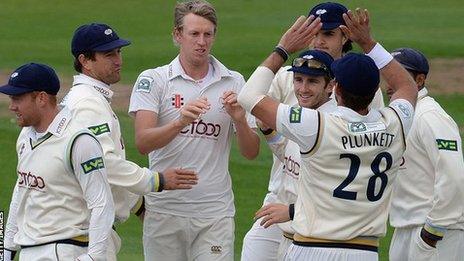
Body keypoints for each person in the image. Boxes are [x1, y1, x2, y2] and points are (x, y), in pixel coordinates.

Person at [238, 8, 417, 261]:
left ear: (336, 88)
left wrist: (282, 49)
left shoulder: (317, 125)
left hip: (312, 247)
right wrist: (368, 42)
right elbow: (406, 85)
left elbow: (248, 96)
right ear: (376, 90)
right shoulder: (396, 124)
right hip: (364, 251)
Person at [128, 0, 260, 260]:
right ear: (178, 35)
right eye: (194, 34)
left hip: (215, 213)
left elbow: (251, 152)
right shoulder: (154, 79)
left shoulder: (234, 81)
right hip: (165, 210)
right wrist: (179, 122)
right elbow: (143, 142)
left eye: (208, 34)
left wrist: (240, 120)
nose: (202, 42)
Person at [62, 22, 198, 260]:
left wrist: (138, 205)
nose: (118, 60)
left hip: (84, 234)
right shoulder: (88, 103)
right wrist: (157, 180)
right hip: (86, 238)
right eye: (108, 54)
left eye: (118, 52)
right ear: (85, 61)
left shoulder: (87, 98)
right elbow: (102, 163)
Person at [2, 63, 114, 261]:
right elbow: (21, 192)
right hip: (28, 249)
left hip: (64, 249)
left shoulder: (79, 140)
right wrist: (7, 249)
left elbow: (101, 203)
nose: (12, 106)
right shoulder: (25, 136)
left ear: (42, 98)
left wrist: (94, 257)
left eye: (18, 98)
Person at [254, 49, 337, 260]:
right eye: (298, 80)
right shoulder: (300, 115)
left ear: (330, 86)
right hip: (292, 239)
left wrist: (291, 211)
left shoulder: (330, 124)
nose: (302, 89)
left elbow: (335, 193)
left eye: (312, 82)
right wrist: (269, 132)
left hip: (316, 244)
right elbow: (290, 156)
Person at [388, 48, 464, 261]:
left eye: (399, 74)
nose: (391, 81)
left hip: (436, 232)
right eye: (388, 73)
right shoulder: (401, 116)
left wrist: (433, 230)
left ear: (419, 80)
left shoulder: (429, 116)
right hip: (404, 227)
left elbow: (454, 175)